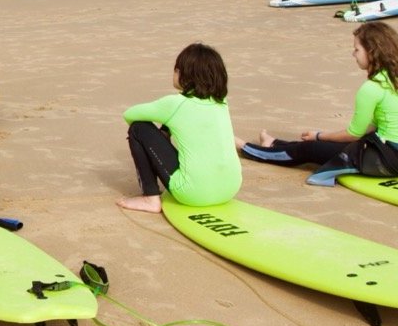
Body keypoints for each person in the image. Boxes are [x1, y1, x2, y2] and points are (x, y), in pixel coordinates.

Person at [239, 22, 398, 185]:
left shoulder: (372, 88)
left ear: (372, 52)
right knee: (325, 144)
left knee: (310, 148)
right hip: (390, 152)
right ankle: (274, 143)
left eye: (357, 49)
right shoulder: (393, 79)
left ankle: (250, 149)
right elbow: (372, 126)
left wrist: (319, 135)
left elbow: (354, 133)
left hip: (384, 159)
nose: (353, 54)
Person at [116, 43, 242, 213]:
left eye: (176, 70)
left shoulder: (175, 104)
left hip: (193, 193)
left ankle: (150, 198)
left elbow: (129, 115)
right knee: (170, 123)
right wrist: (166, 131)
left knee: (138, 128)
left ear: (184, 75)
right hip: (230, 189)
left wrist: (162, 131)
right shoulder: (222, 101)